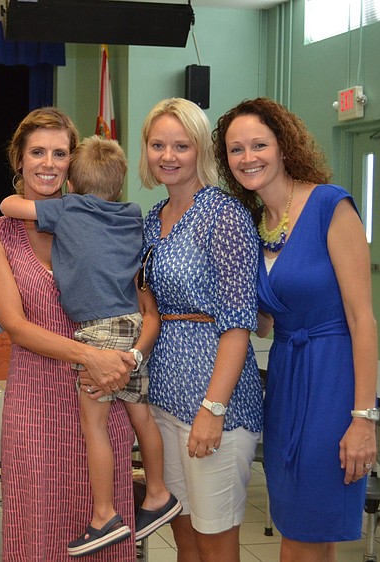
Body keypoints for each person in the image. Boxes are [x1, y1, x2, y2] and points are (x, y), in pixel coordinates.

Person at [213, 97, 377, 562]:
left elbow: (362, 319)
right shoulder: (252, 223)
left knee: (302, 536)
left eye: (259, 144)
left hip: (333, 378)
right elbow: (264, 324)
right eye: (236, 150)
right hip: (284, 380)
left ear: (283, 147)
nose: (249, 158)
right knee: (303, 526)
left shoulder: (329, 204)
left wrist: (363, 419)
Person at [0, 135, 180, 556]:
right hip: (132, 330)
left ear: (74, 182)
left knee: (93, 427)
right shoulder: (132, 213)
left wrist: (62, 202)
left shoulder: (70, 209)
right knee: (143, 419)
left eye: (60, 156)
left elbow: (10, 206)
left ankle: (103, 515)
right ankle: (157, 492)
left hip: (98, 333)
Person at [0, 107, 137, 561]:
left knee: (104, 533)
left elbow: (141, 307)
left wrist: (125, 360)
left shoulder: (101, 224)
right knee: (38, 532)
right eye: (37, 152)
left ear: (75, 162)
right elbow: (17, 327)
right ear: (19, 160)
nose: (48, 163)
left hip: (103, 396)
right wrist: (91, 355)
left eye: (60, 153)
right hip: (37, 403)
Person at [137, 98, 262, 562]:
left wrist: (213, 408)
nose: (168, 156)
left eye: (181, 145)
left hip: (213, 403)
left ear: (201, 151)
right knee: (184, 536)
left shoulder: (223, 215)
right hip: (165, 400)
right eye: (157, 145)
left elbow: (238, 322)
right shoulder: (153, 219)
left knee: (215, 542)